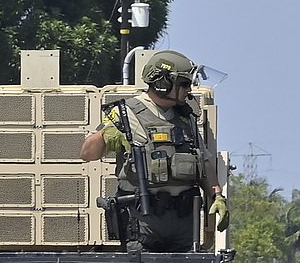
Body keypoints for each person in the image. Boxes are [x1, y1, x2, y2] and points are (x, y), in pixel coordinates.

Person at [79, 48, 224, 251]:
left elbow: (203, 160)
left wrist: (217, 195)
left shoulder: (186, 117)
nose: (188, 90)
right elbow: (87, 154)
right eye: (183, 84)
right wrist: (105, 135)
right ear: (163, 83)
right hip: (144, 221)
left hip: (184, 222)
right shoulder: (126, 113)